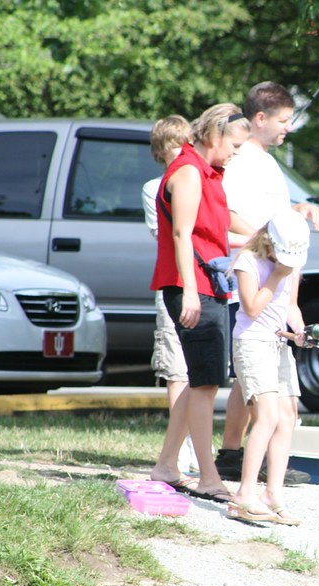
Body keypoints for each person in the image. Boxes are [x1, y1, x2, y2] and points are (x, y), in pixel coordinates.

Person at [215, 81, 319, 486]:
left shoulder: (266, 162)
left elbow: (271, 214)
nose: (288, 128)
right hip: (255, 283)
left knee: (250, 378)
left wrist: (296, 209)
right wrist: (270, 241)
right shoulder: (243, 162)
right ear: (259, 118)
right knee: (256, 376)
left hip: (275, 283)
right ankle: (241, 459)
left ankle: (231, 452)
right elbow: (227, 215)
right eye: (282, 120)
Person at [148, 103, 252, 502]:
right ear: (214, 134)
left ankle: (167, 466)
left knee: (199, 380)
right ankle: (209, 477)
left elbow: (224, 221)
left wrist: (267, 233)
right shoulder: (189, 172)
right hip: (192, 286)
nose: (236, 152)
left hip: (208, 284)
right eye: (234, 145)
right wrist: (191, 290)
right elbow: (181, 235)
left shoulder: (209, 173)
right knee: (207, 382)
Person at [227, 210, 310, 524]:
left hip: (278, 344)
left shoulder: (293, 264)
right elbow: (251, 307)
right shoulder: (248, 262)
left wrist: (300, 331)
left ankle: (272, 493)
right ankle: (243, 495)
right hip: (252, 343)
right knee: (267, 416)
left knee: (288, 415)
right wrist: (276, 275)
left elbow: (290, 306)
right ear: (268, 241)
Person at [142, 115, 198, 476]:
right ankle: (180, 449)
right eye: (178, 144)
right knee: (177, 371)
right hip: (173, 286)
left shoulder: (192, 177)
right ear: (163, 149)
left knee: (196, 371)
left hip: (193, 284)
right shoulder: (158, 186)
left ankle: (192, 443)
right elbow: (175, 233)